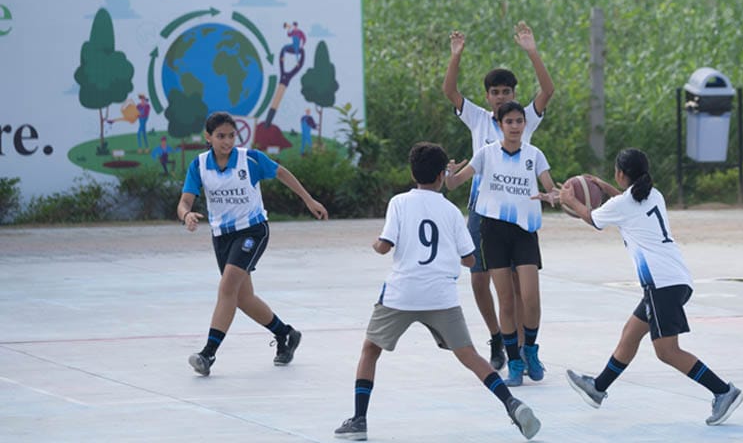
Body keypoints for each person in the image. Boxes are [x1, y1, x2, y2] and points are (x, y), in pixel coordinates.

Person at [334, 142, 541, 441]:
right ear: (443, 176)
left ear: (412, 172)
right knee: (469, 355)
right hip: (441, 296)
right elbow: (469, 259)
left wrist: (375, 243)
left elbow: (384, 246)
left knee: (370, 350)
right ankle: (512, 404)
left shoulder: (399, 202)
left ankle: (359, 420)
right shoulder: (451, 211)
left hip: (401, 294)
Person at [559, 147, 743, 426]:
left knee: (667, 351)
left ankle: (723, 391)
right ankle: (598, 387)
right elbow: (623, 201)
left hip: (662, 284)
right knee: (631, 334)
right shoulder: (652, 194)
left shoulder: (622, 205)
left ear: (621, 173)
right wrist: (601, 186)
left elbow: (591, 217)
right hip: (673, 279)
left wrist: (570, 200)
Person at [176, 111, 328, 376]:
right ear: (208, 137)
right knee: (243, 298)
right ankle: (286, 334)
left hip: (253, 231)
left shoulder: (250, 159)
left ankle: (208, 354)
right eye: (220, 136)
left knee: (227, 288)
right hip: (222, 236)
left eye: (231, 135)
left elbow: (281, 173)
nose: (227, 141)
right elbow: (184, 201)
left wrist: (308, 200)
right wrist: (186, 214)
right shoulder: (199, 165)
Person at [441, 21, 554, 372]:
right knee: (480, 278)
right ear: (488, 96)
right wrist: (456, 56)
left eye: (507, 91)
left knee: (522, 287)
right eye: (496, 92)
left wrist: (532, 51)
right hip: (483, 209)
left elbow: (547, 90)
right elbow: (449, 91)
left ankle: (522, 348)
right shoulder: (477, 119)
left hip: (519, 211)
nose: (502, 97)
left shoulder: (523, 121)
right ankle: (497, 337)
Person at [446, 102, 558, 387]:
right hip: (493, 231)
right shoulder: (486, 154)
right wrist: (448, 173)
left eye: (519, 121)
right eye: (509, 121)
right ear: (499, 124)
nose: (515, 126)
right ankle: (515, 363)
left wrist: (556, 195)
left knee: (531, 297)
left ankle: (530, 350)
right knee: (506, 300)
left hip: (524, 231)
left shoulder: (535, 155)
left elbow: (550, 187)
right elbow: (455, 183)